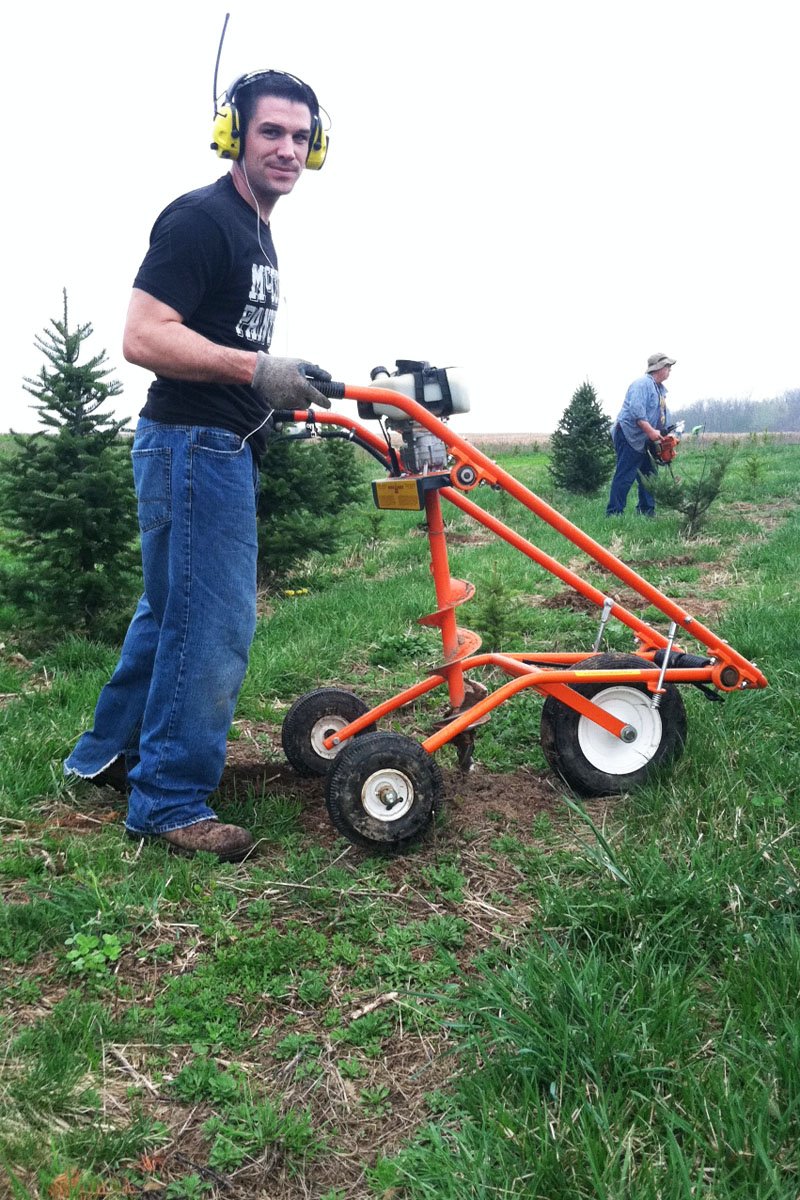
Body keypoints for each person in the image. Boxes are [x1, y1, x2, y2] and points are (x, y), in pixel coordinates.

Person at [64, 69, 334, 862]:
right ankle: (169, 802)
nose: (287, 148)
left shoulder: (258, 228)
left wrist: (281, 386)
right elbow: (145, 335)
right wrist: (253, 372)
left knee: (167, 612)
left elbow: (227, 350)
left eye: (300, 136)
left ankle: (105, 756)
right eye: (270, 133)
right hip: (192, 447)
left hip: (215, 446)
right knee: (211, 625)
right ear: (233, 137)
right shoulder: (202, 219)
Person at [605, 353, 676, 517]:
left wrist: (665, 435)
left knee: (649, 475)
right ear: (658, 368)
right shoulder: (642, 384)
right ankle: (614, 513)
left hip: (643, 439)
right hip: (629, 435)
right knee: (625, 474)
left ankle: (647, 511)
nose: (670, 370)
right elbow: (636, 412)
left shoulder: (659, 390)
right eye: (667, 366)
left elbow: (660, 416)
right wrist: (651, 431)